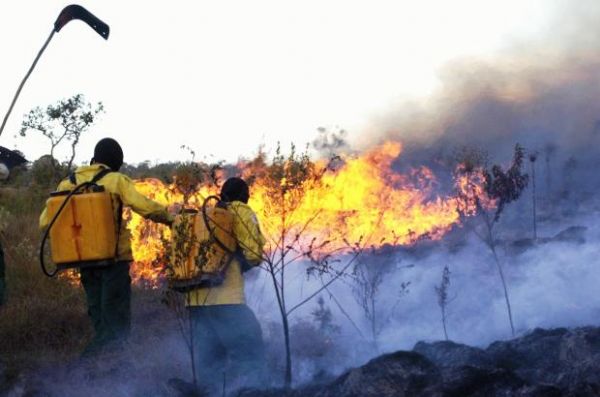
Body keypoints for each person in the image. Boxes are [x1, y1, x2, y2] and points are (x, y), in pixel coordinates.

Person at [39, 138, 173, 354]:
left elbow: (44, 221)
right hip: (113, 264)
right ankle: (94, 366)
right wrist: (171, 220)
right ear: (116, 162)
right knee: (116, 325)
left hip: (84, 264)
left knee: (100, 320)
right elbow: (144, 207)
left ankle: (99, 373)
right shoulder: (116, 180)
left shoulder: (67, 183)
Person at [186, 177, 266, 394]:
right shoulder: (240, 211)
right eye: (247, 194)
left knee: (211, 356)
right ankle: (254, 391)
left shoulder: (203, 218)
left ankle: (210, 392)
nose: (248, 198)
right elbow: (254, 254)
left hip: (195, 301)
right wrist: (242, 264)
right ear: (243, 195)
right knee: (252, 348)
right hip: (226, 299)